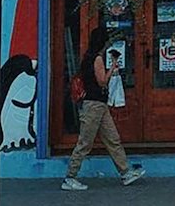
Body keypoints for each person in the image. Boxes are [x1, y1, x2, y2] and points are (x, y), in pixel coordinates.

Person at [62, 26, 145, 190]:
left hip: (100, 106)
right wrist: (112, 69)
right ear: (102, 42)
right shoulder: (97, 59)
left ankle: (125, 172)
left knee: (113, 139)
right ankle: (70, 177)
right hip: (93, 105)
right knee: (85, 143)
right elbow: (101, 81)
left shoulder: (87, 58)